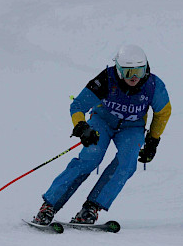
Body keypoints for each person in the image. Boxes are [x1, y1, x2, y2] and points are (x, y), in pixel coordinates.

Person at [32, 44, 171, 225]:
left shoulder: (153, 85)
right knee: (91, 157)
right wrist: (82, 127)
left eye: (139, 71)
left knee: (127, 164)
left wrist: (153, 141)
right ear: (119, 70)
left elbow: (163, 112)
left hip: (132, 127)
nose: (135, 77)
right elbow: (78, 105)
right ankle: (49, 205)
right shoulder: (107, 79)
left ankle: (92, 207)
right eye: (129, 72)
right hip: (102, 120)